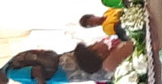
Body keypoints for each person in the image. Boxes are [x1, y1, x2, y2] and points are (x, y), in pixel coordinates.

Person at [0, 42, 131, 83]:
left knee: (103, 70)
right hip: (63, 61)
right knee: (103, 58)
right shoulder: (12, 62)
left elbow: (37, 71)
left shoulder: (12, 73)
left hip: (65, 71)